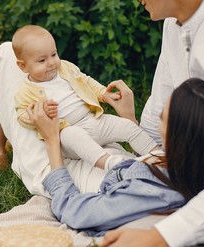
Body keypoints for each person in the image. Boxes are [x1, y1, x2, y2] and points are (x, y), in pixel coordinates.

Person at [97, 0, 204, 247]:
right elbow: (158, 123)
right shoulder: (173, 26)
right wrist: (129, 126)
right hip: (199, 183)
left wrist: (162, 238)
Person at [25, 78, 204, 242]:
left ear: (177, 139)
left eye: (162, 118)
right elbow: (142, 166)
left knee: (8, 56)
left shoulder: (151, 194)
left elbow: (75, 211)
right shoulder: (193, 163)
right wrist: (128, 119)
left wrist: (52, 140)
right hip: (115, 163)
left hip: (69, 172)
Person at [12, 25, 158, 169]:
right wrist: (40, 112)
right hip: (66, 133)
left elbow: (85, 81)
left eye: (54, 54)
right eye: (42, 60)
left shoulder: (65, 67)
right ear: (23, 66)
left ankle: (159, 156)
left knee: (127, 126)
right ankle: (111, 163)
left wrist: (102, 93)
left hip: (92, 119)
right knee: (76, 136)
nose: (51, 63)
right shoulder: (26, 91)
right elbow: (22, 116)